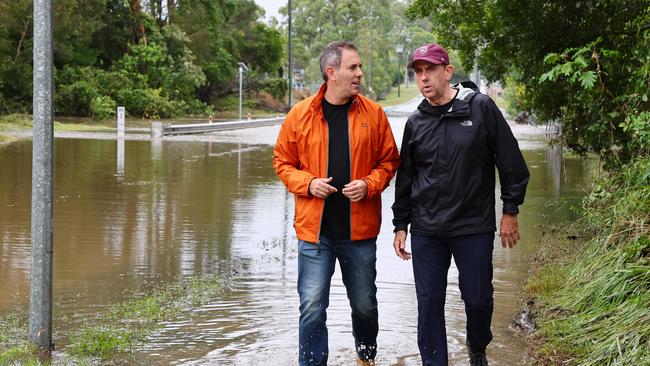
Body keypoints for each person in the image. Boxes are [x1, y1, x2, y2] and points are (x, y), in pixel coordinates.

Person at [391, 43, 530, 366]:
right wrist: (401, 224)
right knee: (428, 303)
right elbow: (406, 178)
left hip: (472, 226)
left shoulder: (480, 108)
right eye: (418, 72)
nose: (423, 78)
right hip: (428, 229)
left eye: (430, 70)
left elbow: (511, 163)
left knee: (479, 300)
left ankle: (477, 346)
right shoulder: (416, 122)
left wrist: (510, 210)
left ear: (448, 72)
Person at [273, 41, 400, 366]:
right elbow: (282, 162)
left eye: (359, 67)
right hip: (315, 234)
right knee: (312, 305)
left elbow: (389, 161)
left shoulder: (374, 114)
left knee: (364, 306)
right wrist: (309, 184)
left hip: (359, 234)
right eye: (353, 67)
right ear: (332, 72)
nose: (360, 73)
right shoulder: (300, 115)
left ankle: (366, 358)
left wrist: (369, 185)